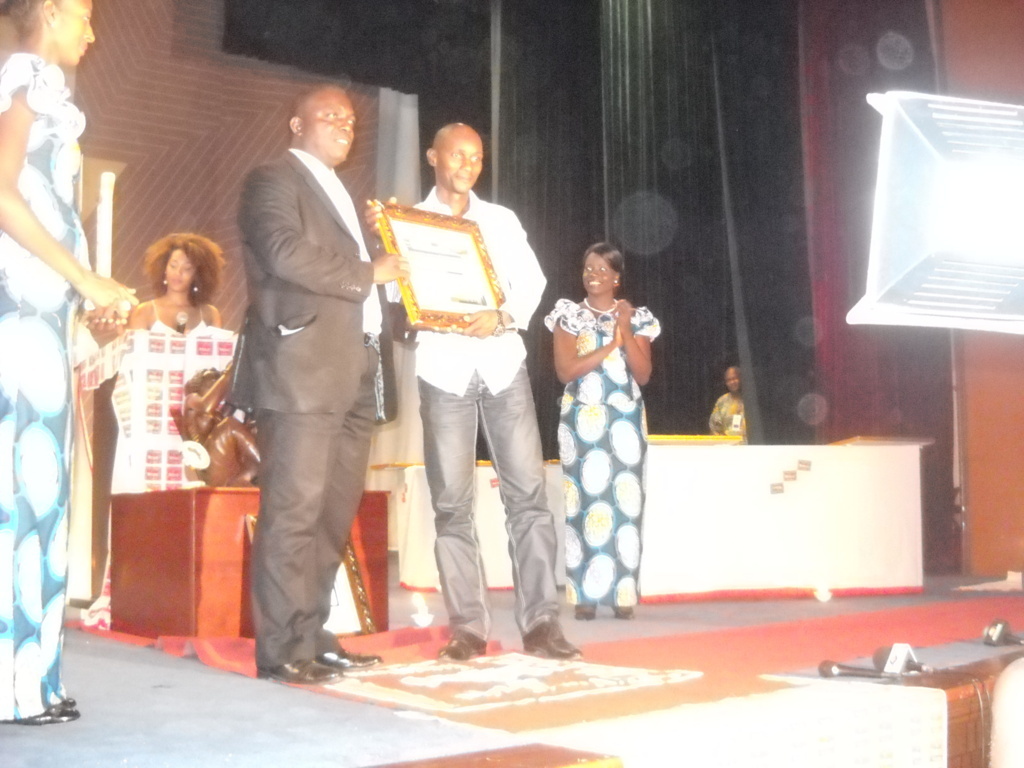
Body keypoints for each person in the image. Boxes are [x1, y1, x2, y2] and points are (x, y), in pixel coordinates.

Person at [229, 84, 406, 686]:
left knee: (333, 514)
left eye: (350, 119)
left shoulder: (345, 195)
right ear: (296, 124)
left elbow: (364, 275)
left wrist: (388, 248)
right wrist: (369, 269)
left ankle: (311, 633)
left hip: (357, 367)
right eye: (329, 115)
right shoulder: (272, 180)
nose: (343, 125)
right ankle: (280, 648)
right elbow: (282, 252)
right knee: (294, 510)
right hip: (302, 369)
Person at [0, 0, 138, 725]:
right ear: (49, 11)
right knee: (24, 494)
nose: (91, 30)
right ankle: (14, 685)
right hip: (20, 313)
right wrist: (83, 278)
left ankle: (34, 678)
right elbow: (2, 191)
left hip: (44, 312)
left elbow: (43, 203)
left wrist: (85, 293)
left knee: (41, 495)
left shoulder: (40, 86)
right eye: (82, 14)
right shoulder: (23, 78)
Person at [399, 123, 579, 660]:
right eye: (457, 154)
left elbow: (532, 282)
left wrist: (500, 315)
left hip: (503, 366)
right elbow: (397, 297)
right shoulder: (407, 221)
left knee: (529, 498)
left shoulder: (500, 220)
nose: (468, 165)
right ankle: (468, 629)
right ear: (433, 156)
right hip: (443, 370)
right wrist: (413, 303)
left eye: (477, 157)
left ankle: (542, 624)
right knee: (451, 506)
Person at [545, 243, 660, 621]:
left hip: (625, 419)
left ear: (616, 277)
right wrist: (610, 344)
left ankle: (622, 593)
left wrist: (623, 329)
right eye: (588, 268)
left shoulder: (636, 317)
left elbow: (643, 374)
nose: (593, 275)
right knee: (583, 503)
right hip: (581, 420)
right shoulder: (568, 316)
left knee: (626, 503)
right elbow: (565, 370)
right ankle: (586, 595)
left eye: (601, 269)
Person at [126, 233, 224, 334]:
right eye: (173, 266)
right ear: (164, 268)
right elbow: (135, 343)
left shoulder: (210, 314)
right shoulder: (145, 311)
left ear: (197, 274)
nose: (178, 273)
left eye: (187, 268)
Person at [709, 365, 745, 441]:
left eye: (734, 378)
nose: (732, 382)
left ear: (741, 378)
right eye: (729, 380)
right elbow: (714, 428)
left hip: (749, 445)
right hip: (727, 445)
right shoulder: (722, 401)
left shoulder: (751, 399)